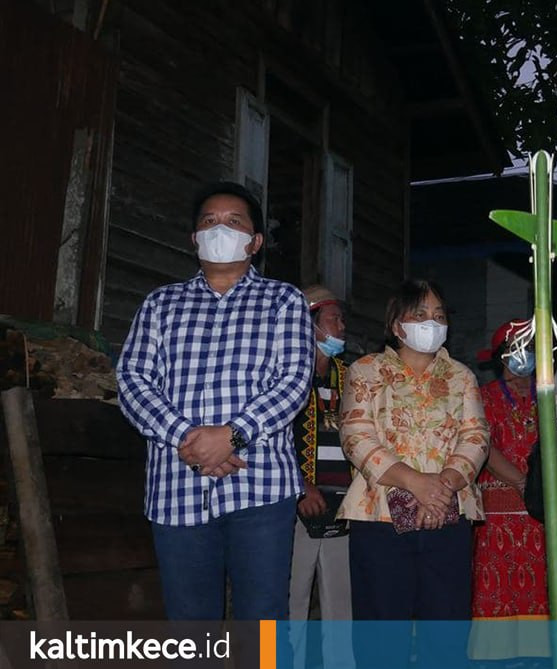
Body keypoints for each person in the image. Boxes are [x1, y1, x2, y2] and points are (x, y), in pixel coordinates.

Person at [117, 181, 313, 621]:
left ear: (255, 241)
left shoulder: (283, 300)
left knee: (263, 618)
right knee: (189, 621)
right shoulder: (160, 305)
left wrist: (233, 435)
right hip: (176, 486)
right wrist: (189, 438)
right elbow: (132, 379)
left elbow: (294, 380)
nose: (219, 228)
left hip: (260, 487)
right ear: (193, 238)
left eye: (233, 221)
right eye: (209, 221)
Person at [340, 279, 488, 668]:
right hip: (379, 517)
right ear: (396, 324)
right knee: (380, 634)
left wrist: (444, 486)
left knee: (447, 629)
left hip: (449, 513)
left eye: (439, 316)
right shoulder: (366, 371)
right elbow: (356, 433)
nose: (432, 322)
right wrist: (415, 482)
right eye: (420, 314)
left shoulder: (461, 377)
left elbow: (476, 437)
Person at [471, 320, 548, 659]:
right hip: (498, 516)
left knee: (542, 588)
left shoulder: (549, 396)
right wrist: (521, 482)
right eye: (515, 348)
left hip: (542, 513)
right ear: (501, 355)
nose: (523, 354)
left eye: (528, 347)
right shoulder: (481, 396)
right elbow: (481, 446)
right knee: (497, 587)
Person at [289, 285, 354, 669]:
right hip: (294, 505)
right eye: (334, 319)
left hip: (343, 507)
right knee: (287, 600)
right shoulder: (287, 375)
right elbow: (270, 438)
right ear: (309, 326)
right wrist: (300, 486)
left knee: (340, 604)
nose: (342, 326)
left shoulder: (352, 378)